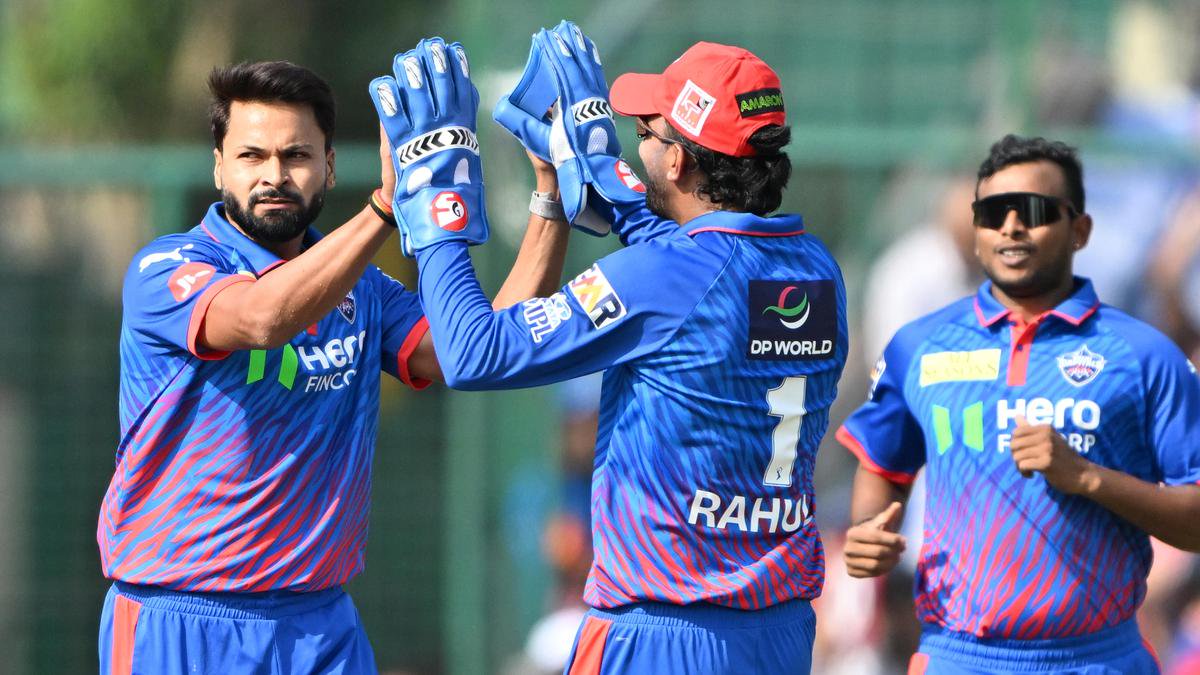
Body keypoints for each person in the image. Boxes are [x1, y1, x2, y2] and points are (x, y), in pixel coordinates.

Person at [370, 23, 848, 674]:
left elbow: (472, 353)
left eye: (648, 132)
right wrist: (599, 173)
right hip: (776, 635)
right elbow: (700, 262)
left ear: (678, 163)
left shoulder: (666, 276)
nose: (638, 138)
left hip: (661, 636)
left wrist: (434, 203)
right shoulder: (814, 269)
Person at [97, 60, 567, 673]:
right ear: (218, 166)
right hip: (183, 619)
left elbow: (481, 352)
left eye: (296, 155)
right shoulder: (166, 268)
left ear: (329, 165)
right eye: (251, 156)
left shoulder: (362, 288)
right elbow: (262, 318)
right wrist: (385, 207)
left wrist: (552, 196)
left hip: (319, 626)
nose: (274, 176)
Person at [837, 134, 1200, 674]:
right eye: (993, 213)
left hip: (1095, 659)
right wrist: (869, 529)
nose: (1011, 227)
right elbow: (883, 462)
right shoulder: (919, 346)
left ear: (1080, 230)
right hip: (958, 657)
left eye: (1033, 211)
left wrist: (1087, 477)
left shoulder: (1146, 356)